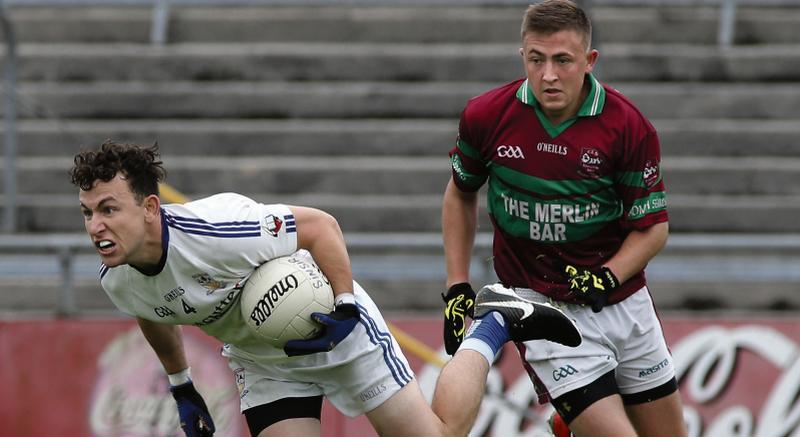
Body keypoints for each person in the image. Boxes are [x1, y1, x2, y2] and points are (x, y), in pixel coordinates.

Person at [71, 140, 581, 437]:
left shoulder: (219, 229)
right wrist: (181, 386)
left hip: (336, 328)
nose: (96, 226)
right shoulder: (115, 277)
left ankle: (495, 321)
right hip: (265, 360)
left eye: (109, 209)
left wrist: (344, 306)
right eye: (89, 213)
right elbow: (151, 308)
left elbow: (320, 226)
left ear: (150, 208)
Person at [440, 1, 687, 436]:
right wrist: (457, 285)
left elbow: (652, 229)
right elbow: (460, 194)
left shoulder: (628, 127)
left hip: (625, 306)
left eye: (562, 61)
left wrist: (607, 277)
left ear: (589, 62)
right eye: (536, 60)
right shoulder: (486, 116)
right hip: (542, 307)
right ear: (523, 57)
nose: (548, 75)